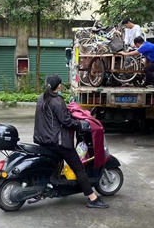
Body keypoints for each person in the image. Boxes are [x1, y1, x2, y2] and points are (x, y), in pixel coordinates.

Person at [34, 74, 108, 209]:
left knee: (60, 162)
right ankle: (92, 198)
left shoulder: (41, 98)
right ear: (59, 86)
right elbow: (66, 121)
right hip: (57, 142)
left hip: (43, 140)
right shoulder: (57, 100)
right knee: (79, 168)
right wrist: (80, 124)